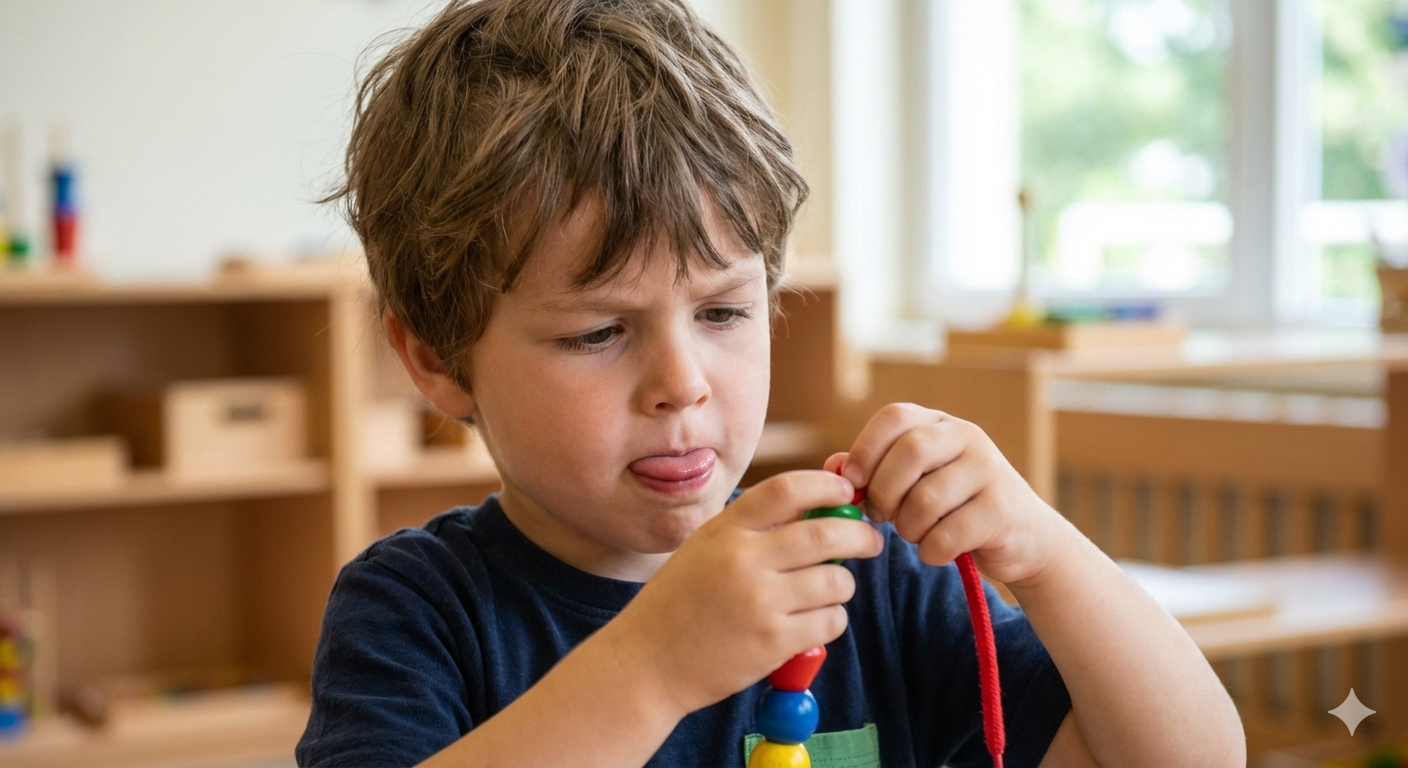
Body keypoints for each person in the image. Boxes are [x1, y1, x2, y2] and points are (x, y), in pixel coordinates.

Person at [296, 0, 1245, 765]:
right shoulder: (413, 609)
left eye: (721, 313)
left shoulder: (868, 578)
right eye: (596, 332)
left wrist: (1042, 552)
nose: (681, 384)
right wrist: (656, 666)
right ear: (434, 358)